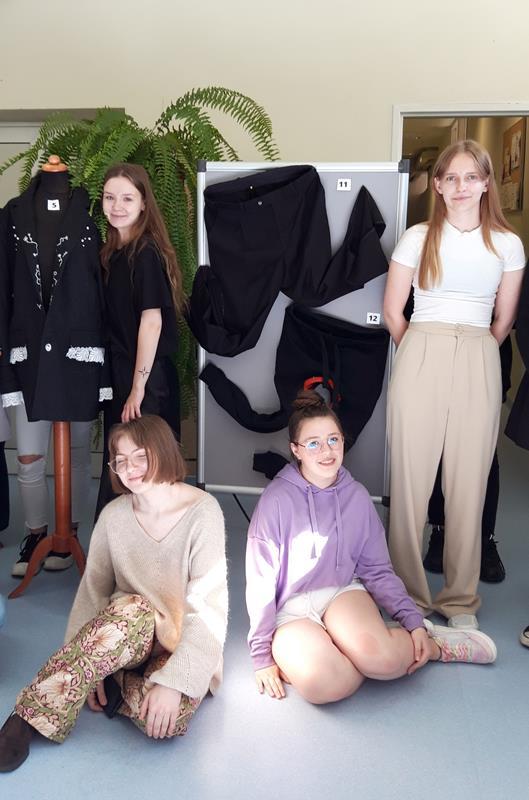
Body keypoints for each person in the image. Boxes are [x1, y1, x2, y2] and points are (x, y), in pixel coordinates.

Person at [0, 414, 228, 772]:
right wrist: (82, 662)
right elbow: (92, 591)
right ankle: (25, 719)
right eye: (120, 460)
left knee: (168, 721)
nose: (129, 468)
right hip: (128, 628)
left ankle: (117, 684)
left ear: (163, 452)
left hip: (179, 641)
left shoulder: (203, 512)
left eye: (140, 457)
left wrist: (173, 683)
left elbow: (209, 609)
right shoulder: (113, 515)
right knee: (133, 609)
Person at [245, 391, 496, 705]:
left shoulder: (357, 496)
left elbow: (377, 571)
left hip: (341, 593)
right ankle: (361, 649)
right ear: (296, 449)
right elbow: (260, 585)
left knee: (384, 661)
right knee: (323, 686)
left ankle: (435, 646)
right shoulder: (275, 501)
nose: (327, 451)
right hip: (290, 610)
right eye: (313, 443)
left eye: (333, 440)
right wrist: (262, 657)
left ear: (343, 441)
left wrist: (412, 620)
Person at [384, 139, 525, 630]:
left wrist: (473, 353)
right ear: (439, 186)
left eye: (470, 177)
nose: (460, 186)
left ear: (486, 183)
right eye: (450, 178)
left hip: (479, 352)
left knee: (469, 481)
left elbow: (503, 321)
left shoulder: (507, 244)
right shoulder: (417, 238)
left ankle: (460, 601)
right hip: (421, 345)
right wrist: (423, 349)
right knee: (409, 480)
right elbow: (392, 312)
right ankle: (407, 598)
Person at [95, 163, 184, 516]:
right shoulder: (114, 252)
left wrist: (137, 388)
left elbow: (152, 322)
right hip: (124, 376)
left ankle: (150, 547)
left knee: (146, 473)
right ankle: (121, 545)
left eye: (127, 198)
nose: (117, 206)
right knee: (122, 468)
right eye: (109, 197)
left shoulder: (144, 253)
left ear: (144, 203)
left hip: (147, 381)